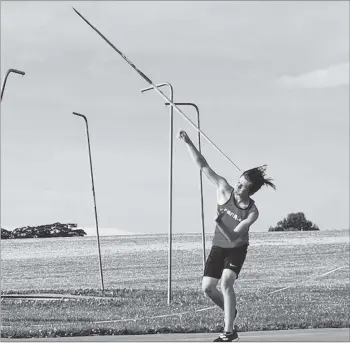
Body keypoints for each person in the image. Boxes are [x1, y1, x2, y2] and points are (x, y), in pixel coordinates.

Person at [178, 130, 276, 342]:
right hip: (218, 246)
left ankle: (229, 332)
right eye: (238, 181)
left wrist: (219, 221)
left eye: (241, 185)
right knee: (207, 288)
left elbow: (233, 237)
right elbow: (203, 165)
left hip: (236, 248)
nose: (237, 185)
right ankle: (230, 313)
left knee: (226, 283)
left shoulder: (252, 212)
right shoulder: (223, 188)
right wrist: (188, 143)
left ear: (249, 191)